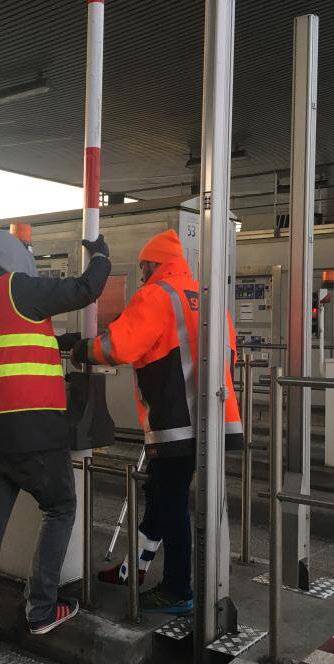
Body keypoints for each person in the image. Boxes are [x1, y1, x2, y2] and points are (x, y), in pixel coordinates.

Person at [0, 228, 110, 664]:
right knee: (59, 507)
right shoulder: (17, 287)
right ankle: (41, 609)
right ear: (16, 259)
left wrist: (56, 344)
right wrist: (100, 255)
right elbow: (85, 289)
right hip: (31, 431)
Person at [70, 229, 242, 614]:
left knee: (172, 502)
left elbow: (121, 345)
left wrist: (82, 348)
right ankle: (133, 569)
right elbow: (229, 353)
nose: (143, 274)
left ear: (152, 264)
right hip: (214, 418)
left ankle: (178, 588)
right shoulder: (208, 297)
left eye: (145, 267)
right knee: (163, 496)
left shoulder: (157, 295)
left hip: (176, 421)